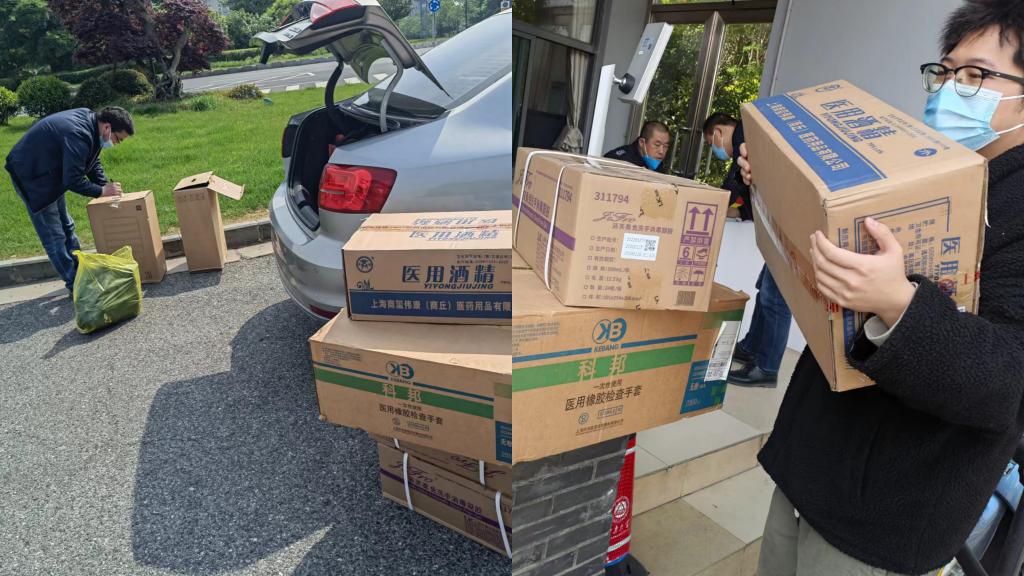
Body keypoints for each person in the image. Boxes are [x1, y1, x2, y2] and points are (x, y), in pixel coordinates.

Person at [736, 2, 1024, 574]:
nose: (949, 89)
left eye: (976, 75)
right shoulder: (924, 169)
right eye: (944, 71)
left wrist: (900, 303)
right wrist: (772, 180)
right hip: (812, 465)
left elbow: (1008, 384)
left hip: (889, 513)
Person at [703, 112, 792, 388]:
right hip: (782, 223)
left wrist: (711, 206)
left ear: (718, 133)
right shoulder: (751, 136)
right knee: (765, 288)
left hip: (789, 224)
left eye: (711, 143)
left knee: (776, 298)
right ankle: (752, 347)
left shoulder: (746, 133)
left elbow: (734, 183)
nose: (715, 149)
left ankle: (766, 368)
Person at [5, 106, 132, 294]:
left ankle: (82, 274)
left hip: (50, 172)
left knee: (68, 226)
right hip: (32, 177)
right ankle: (76, 286)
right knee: (55, 236)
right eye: (118, 139)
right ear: (107, 127)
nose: (116, 144)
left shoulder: (92, 125)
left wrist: (104, 184)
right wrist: (101, 191)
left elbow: (91, 160)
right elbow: (73, 180)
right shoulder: (78, 134)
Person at [702, 112, 752, 221]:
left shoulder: (741, 135)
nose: (713, 150)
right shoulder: (745, 132)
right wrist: (740, 211)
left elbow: (734, 187)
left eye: (711, 144)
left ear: (717, 133)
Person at [604, 120, 670, 171]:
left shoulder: (658, 165)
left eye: (665, 146)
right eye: (657, 145)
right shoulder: (619, 161)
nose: (661, 151)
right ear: (641, 143)